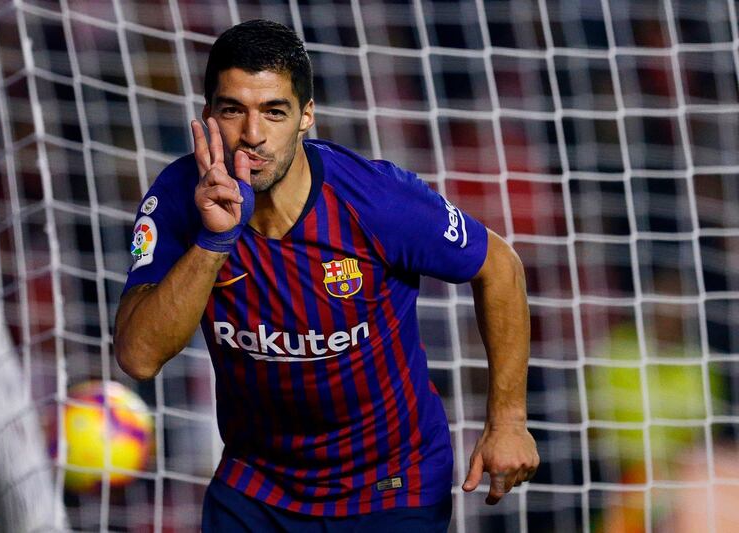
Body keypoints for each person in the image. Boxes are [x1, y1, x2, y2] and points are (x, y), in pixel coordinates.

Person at [115, 19, 539, 532]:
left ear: (306, 116)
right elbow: (137, 357)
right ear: (208, 115)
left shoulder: (377, 200)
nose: (253, 135)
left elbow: (499, 266)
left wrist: (509, 422)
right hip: (258, 486)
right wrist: (213, 242)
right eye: (233, 110)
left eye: (274, 112)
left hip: (389, 488)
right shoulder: (178, 198)